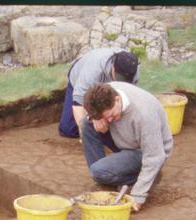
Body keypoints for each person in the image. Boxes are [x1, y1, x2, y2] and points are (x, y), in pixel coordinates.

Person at [81, 81, 173, 211]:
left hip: (144, 150)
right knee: (87, 123)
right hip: (125, 138)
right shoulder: (105, 92)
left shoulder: (144, 114)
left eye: (111, 115)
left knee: (98, 171)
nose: (110, 120)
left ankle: (148, 177)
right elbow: (87, 106)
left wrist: (138, 195)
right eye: (107, 117)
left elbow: (155, 156)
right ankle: (105, 181)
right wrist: (95, 118)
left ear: (117, 99)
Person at [59, 48, 139, 139]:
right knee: (68, 129)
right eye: (118, 77)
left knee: (115, 124)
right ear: (112, 66)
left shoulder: (132, 69)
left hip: (108, 91)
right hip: (81, 81)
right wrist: (93, 117)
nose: (119, 81)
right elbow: (78, 103)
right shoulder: (93, 70)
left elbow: (130, 99)